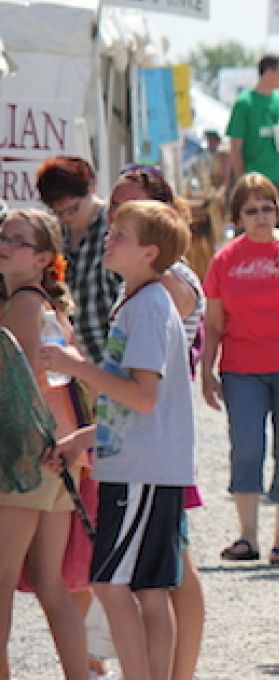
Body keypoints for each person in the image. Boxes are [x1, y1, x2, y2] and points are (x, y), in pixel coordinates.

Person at [43, 200, 195, 680]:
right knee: (148, 590)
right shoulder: (140, 302)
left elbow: (143, 396)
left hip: (139, 471)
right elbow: (132, 405)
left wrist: (73, 367)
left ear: (150, 252)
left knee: (111, 585)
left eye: (120, 235)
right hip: (143, 467)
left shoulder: (146, 307)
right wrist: (82, 440)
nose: (108, 240)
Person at [107, 166, 208, 680]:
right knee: (163, 573)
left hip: (154, 441)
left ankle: (177, 673)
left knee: (169, 574)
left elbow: (149, 374)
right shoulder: (145, 282)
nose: (115, 216)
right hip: (144, 440)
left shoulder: (165, 283)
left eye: (128, 207)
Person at [202, 174, 279, 567]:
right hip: (242, 369)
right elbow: (214, 321)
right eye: (251, 210)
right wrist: (206, 370)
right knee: (247, 448)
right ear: (238, 216)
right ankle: (246, 536)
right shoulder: (225, 259)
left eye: (268, 207)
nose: (261, 216)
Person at [0, 209, 87, 680]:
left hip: (23, 453)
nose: (5, 245)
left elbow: (19, 384)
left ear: (42, 259)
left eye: (18, 241)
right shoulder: (45, 305)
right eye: (3, 237)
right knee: (51, 583)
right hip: (58, 453)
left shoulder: (23, 306)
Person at [36, 156, 120, 365]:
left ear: (92, 188)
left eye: (73, 209)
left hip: (114, 361)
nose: (66, 217)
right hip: (74, 363)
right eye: (58, 212)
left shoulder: (115, 229)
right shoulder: (57, 235)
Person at [225, 54, 279, 228]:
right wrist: (242, 179)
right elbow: (235, 146)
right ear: (269, 72)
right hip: (255, 178)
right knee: (251, 230)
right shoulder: (245, 103)